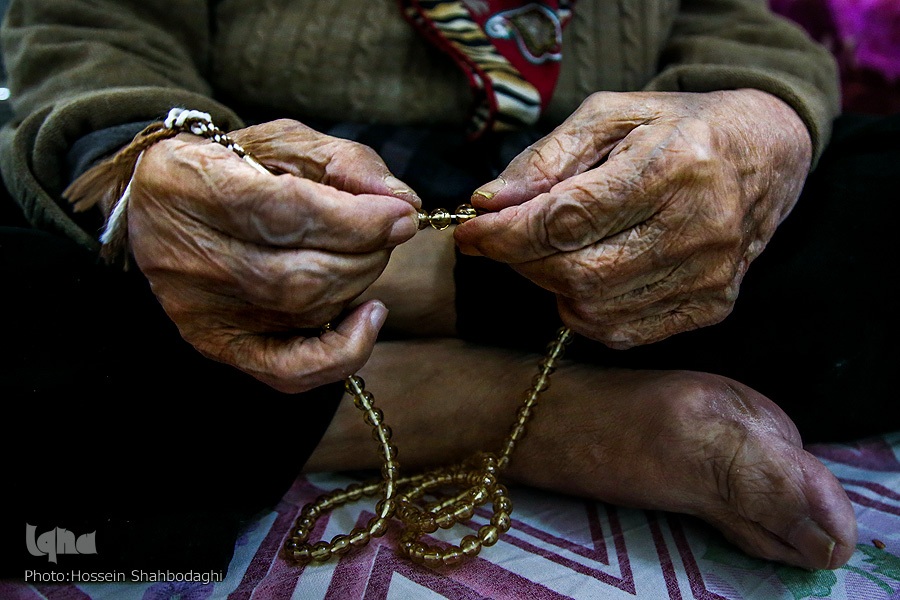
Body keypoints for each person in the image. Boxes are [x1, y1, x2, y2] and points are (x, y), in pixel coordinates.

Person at [0, 0, 896, 579]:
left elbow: (737, 28)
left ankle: (404, 281)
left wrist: (749, 128)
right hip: (252, 168)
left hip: (569, 192)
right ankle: (479, 403)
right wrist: (160, 161)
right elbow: (87, 24)